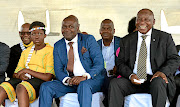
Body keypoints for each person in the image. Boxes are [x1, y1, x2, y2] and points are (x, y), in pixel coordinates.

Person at [108, 8, 180, 107]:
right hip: (134, 79)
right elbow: (120, 62)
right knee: (115, 83)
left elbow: (174, 59)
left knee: (159, 82)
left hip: (154, 79)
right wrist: (130, 75)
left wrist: (162, 72)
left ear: (153, 22)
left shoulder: (164, 38)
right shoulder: (127, 40)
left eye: (146, 19)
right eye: (139, 19)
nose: (142, 22)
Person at [39, 15, 106, 107]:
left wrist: (85, 77)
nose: (67, 29)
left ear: (77, 28)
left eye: (71, 27)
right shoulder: (58, 45)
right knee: (46, 87)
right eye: (64, 27)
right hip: (70, 82)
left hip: (90, 80)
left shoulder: (88, 39)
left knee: (84, 85)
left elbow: (99, 64)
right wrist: (67, 80)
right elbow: (58, 69)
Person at [0, 21, 54, 107]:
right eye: (33, 34)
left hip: (40, 80)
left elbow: (48, 77)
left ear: (45, 35)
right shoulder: (26, 52)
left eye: (39, 34)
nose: (36, 37)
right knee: (3, 86)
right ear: (31, 36)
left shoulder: (50, 50)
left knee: (21, 87)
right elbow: (15, 73)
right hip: (25, 79)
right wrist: (20, 75)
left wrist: (27, 71)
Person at [97, 19, 120, 107]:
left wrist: (119, 67)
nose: (106, 31)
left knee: (111, 84)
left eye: (109, 28)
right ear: (100, 31)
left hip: (116, 76)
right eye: (103, 28)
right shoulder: (95, 45)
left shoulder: (122, 43)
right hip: (100, 77)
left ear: (113, 31)